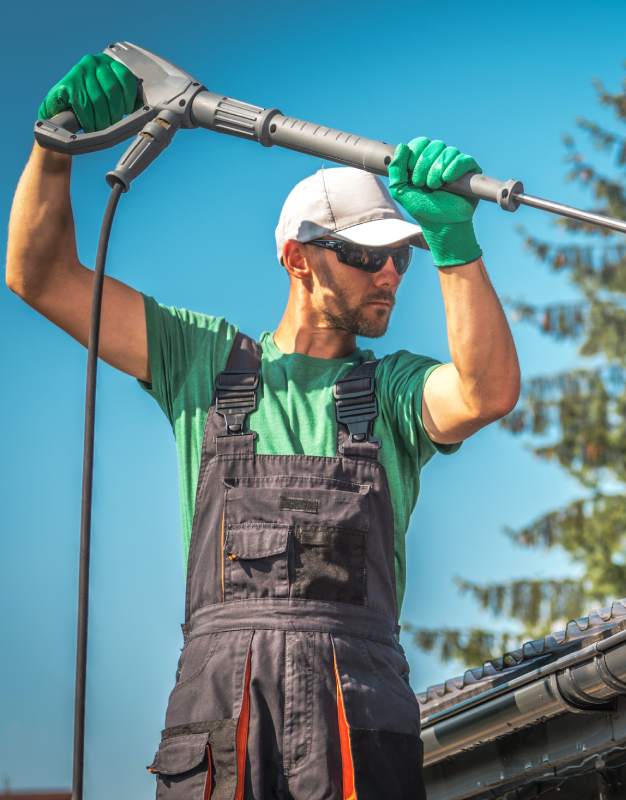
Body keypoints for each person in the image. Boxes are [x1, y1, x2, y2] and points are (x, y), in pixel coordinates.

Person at [7, 53, 520, 798]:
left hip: (358, 706)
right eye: (364, 256)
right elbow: (41, 276)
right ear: (297, 257)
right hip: (225, 707)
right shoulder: (203, 361)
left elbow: (484, 392)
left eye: (399, 260)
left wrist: (454, 246)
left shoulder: (394, 391)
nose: (388, 276)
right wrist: (53, 148)